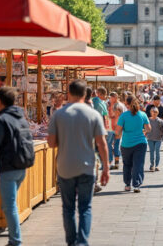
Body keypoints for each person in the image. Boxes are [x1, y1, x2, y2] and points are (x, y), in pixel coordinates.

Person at [48, 79, 109, 246]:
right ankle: (82, 242)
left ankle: (71, 242)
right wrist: (106, 168)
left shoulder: (58, 114)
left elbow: (51, 143)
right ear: (85, 94)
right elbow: (102, 143)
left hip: (65, 167)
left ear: (68, 94)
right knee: (85, 208)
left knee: (68, 208)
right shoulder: (93, 114)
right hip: (87, 166)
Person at [0, 87, 34, 246]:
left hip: (7, 167)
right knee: (9, 204)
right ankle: (14, 238)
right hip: (21, 166)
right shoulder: (20, 118)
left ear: (0, 101)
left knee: (9, 206)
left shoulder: (1, 120)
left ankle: (15, 240)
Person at [116, 96, 150, 192]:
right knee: (138, 164)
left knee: (127, 165)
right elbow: (148, 129)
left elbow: (117, 131)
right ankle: (136, 185)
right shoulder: (143, 114)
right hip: (141, 143)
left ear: (127, 104)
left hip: (126, 143)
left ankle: (127, 184)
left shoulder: (123, 116)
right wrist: (143, 131)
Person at [106, 92, 125, 170]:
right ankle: (111, 161)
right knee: (109, 144)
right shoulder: (108, 104)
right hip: (110, 128)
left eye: (111, 97)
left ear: (115, 97)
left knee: (115, 144)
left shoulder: (120, 105)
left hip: (117, 127)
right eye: (110, 97)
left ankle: (115, 162)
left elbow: (122, 116)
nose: (110, 99)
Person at [145, 108, 163, 172]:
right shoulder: (148, 120)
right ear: (151, 112)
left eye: (155, 112)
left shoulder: (160, 121)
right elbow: (145, 128)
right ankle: (152, 165)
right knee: (151, 152)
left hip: (158, 139)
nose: (154, 113)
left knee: (157, 151)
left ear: (157, 113)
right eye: (153, 112)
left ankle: (157, 165)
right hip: (150, 138)